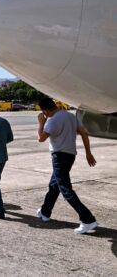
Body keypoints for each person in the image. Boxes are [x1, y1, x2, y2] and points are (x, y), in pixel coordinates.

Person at [37, 97, 97, 234]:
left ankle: (88, 219)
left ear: (45, 111)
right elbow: (84, 133)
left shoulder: (52, 121)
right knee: (54, 185)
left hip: (59, 156)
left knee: (65, 188)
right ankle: (45, 212)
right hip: (70, 155)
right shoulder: (70, 116)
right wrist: (88, 153)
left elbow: (41, 138)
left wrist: (41, 123)